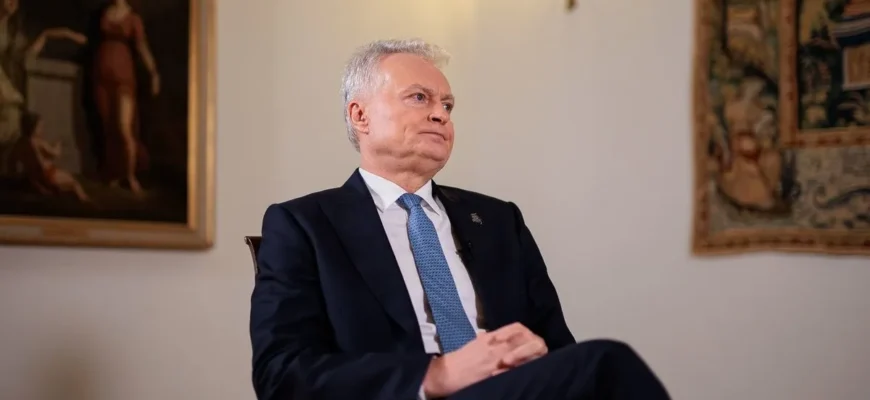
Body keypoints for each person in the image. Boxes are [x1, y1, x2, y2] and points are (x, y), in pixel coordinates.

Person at [249, 38, 671, 400]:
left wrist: (536, 350)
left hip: (511, 390)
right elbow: (281, 374)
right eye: (419, 98)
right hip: (410, 393)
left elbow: (558, 348)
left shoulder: (500, 221)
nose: (441, 115)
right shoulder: (304, 225)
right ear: (360, 115)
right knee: (607, 362)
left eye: (447, 105)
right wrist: (437, 375)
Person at [10, 112, 90, 202]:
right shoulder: (38, 142)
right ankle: (85, 202)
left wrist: (16, 174)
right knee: (74, 183)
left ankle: (52, 191)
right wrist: (58, 145)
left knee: (62, 187)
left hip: (33, 177)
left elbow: (13, 160)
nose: (42, 129)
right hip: (48, 174)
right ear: (33, 128)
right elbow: (55, 154)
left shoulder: (19, 143)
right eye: (40, 127)